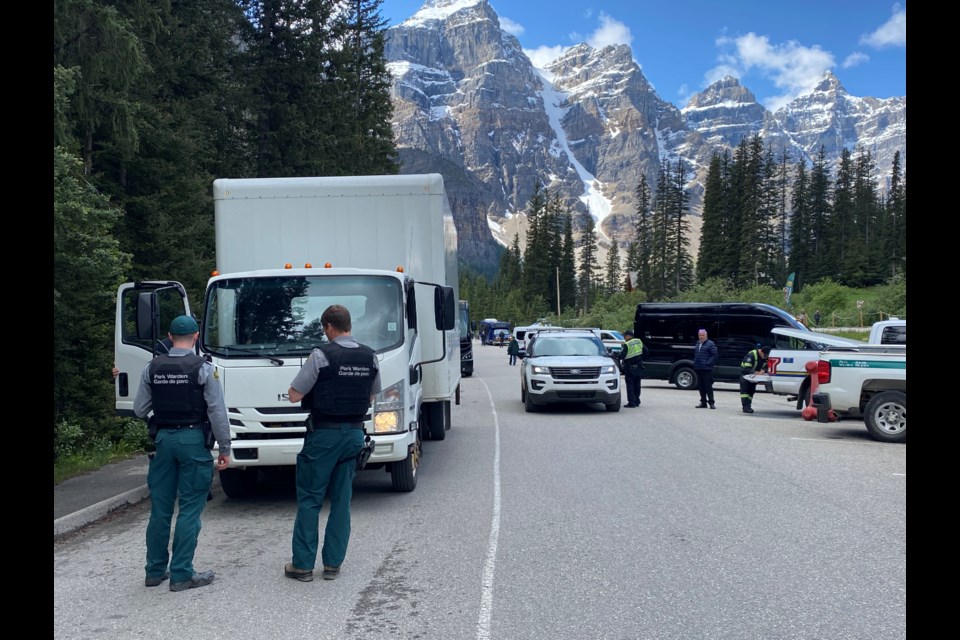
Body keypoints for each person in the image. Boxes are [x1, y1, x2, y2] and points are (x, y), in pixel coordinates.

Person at [284, 304, 381, 583]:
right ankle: (332, 565)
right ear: (349, 325)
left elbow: (294, 395)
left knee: (310, 498)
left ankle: (302, 565)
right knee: (341, 500)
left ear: (328, 327)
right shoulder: (370, 357)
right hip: (353, 436)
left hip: (323, 435)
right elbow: (372, 397)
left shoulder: (321, 355)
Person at [133, 315, 231, 592]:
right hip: (193, 440)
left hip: (163, 440)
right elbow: (216, 411)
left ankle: (154, 571)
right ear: (197, 336)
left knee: (160, 509)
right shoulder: (203, 368)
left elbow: (140, 409)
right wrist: (225, 448)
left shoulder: (151, 367)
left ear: (169, 335)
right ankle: (181, 574)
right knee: (189, 509)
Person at [619, 329, 648, 408]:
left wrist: (616, 356)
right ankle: (637, 401)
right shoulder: (639, 341)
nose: (624, 337)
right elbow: (646, 352)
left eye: (624, 336)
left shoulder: (627, 344)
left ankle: (631, 403)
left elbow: (622, 356)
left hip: (630, 367)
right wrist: (641, 359)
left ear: (628, 336)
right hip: (639, 367)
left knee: (630, 385)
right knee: (637, 384)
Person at [739, 344, 768, 413]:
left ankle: (748, 406)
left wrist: (763, 370)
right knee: (745, 392)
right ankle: (745, 408)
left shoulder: (764, 357)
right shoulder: (751, 355)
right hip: (745, 375)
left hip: (754, 377)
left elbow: (767, 365)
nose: (766, 357)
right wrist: (755, 372)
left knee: (751, 391)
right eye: (765, 356)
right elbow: (746, 368)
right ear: (761, 352)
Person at [693, 328, 717, 409]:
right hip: (698, 367)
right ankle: (703, 402)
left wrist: (708, 363)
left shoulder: (710, 344)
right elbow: (696, 355)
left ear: (706, 335)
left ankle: (711, 402)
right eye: (700, 335)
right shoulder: (697, 344)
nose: (701, 337)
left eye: (702, 335)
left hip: (706, 369)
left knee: (708, 386)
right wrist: (695, 363)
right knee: (701, 386)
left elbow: (714, 355)